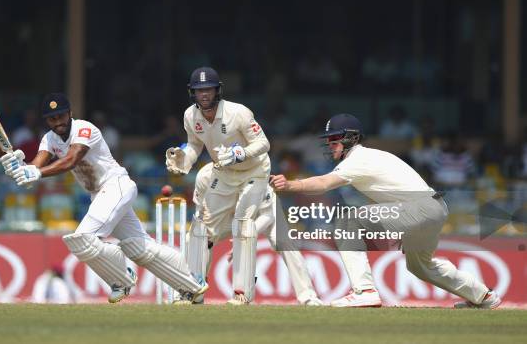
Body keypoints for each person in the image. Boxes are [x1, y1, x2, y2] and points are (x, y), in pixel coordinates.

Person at [269, 113, 501, 309]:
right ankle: (483, 296)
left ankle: (364, 290)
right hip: (433, 208)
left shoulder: (358, 159)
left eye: (335, 139)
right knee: (421, 266)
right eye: (329, 140)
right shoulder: (370, 157)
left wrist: (291, 185)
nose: (330, 145)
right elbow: (391, 193)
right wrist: (402, 224)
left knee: (347, 221)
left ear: (352, 138)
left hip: (418, 207)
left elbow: (322, 184)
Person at [0, 93, 207, 304]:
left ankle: (123, 280)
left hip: (116, 186)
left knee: (82, 239)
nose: (58, 122)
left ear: (70, 114)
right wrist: (20, 170)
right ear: (46, 121)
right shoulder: (49, 139)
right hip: (99, 195)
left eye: (61, 116)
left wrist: (37, 173)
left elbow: (71, 159)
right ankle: (193, 285)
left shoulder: (85, 129)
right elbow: (36, 166)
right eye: (52, 119)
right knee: (141, 249)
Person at [165, 67, 270, 305]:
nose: (204, 94)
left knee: (243, 224)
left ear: (217, 90)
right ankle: (193, 289)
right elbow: (194, 145)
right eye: (199, 90)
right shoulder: (190, 116)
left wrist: (240, 153)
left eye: (208, 89)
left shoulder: (238, 113)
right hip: (223, 174)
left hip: (254, 172)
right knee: (202, 230)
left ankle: (242, 293)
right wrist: (184, 160)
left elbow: (263, 144)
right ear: (193, 92)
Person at [188, 162, 323, 305]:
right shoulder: (204, 177)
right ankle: (195, 292)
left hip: (263, 212)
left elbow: (268, 216)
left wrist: (243, 238)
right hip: (226, 216)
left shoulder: (256, 173)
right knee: (200, 237)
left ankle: (308, 297)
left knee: (284, 243)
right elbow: (201, 215)